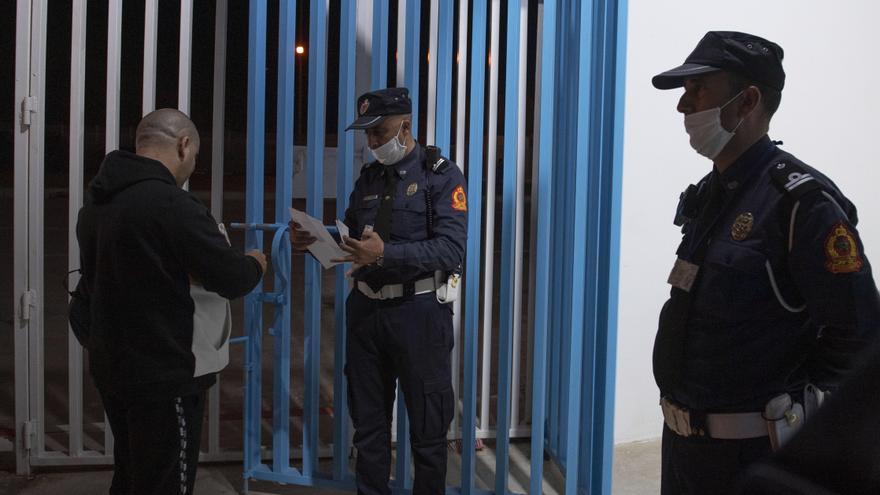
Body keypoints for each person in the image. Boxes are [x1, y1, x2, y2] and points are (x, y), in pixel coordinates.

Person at [650, 31, 880, 493]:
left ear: (747, 100)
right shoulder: (709, 194)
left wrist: (789, 397)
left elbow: (858, 334)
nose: (683, 107)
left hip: (753, 452)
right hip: (682, 449)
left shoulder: (801, 204)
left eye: (698, 91)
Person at [75, 108, 267, 494]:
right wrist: (256, 263)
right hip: (165, 374)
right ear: (183, 146)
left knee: (130, 473)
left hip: (112, 364)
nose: (192, 167)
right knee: (166, 480)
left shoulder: (96, 203)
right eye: (194, 157)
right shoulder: (173, 206)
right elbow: (231, 278)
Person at [289, 87, 467, 495]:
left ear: (405, 126)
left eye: (379, 132)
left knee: (427, 431)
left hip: (420, 314)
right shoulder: (369, 178)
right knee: (368, 429)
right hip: (367, 313)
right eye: (367, 135)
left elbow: (450, 248)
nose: (372, 143)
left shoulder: (441, 175)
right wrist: (317, 243)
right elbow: (351, 234)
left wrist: (385, 254)